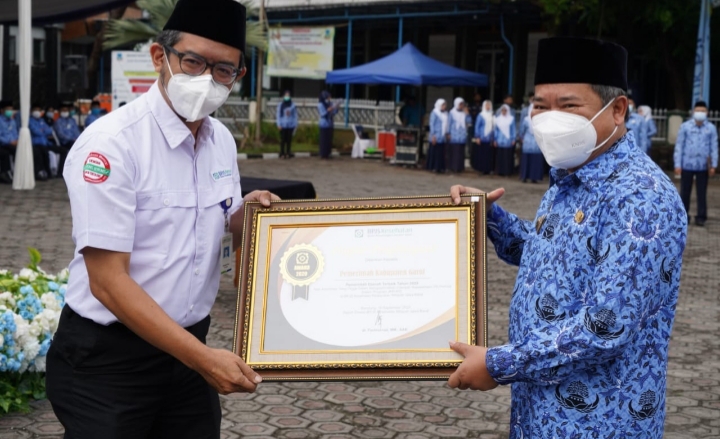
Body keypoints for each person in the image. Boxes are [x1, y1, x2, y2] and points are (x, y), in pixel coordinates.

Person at [46, 1, 279, 438]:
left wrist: (253, 215)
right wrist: (203, 359)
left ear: (238, 75)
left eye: (224, 70)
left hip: (187, 357)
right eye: (193, 62)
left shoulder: (221, 141)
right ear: (160, 57)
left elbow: (221, 223)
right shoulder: (112, 145)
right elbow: (107, 281)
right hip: (109, 363)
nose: (207, 79)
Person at [447, 37, 687, 439]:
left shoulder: (641, 198)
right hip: (539, 410)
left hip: (600, 421)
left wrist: (496, 364)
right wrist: (489, 218)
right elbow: (553, 257)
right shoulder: (570, 176)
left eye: (569, 105)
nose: (549, 119)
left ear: (618, 110)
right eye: (540, 106)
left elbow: (604, 328)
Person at [674, 100, 718, 227]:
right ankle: (684, 216)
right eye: (698, 111)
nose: (700, 113)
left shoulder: (711, 128)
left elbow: (714, 147)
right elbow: (679, 146)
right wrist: (677, 164)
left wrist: (714, 165)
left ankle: (701, 216)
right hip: (687, 164)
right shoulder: (685, 126)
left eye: (703, 111)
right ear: (693, 112)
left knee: (702, 193)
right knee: (685, 192)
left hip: (703, 165)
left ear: (707, 112)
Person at [517, 103, 544, 183]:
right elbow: (521, 130)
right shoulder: (526, 120)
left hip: (536, 143)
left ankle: (534, 177)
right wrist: (521, 138)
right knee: (526, 160)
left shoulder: (540, 120)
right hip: (527, 142)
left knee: (535, 160)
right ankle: (524, 176)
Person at [28, 105, 55, 180]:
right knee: (40, 153)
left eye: (39, 110)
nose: (37, 112)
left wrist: (42, 131)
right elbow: (35, 131)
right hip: (35, 143)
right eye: (35, 110)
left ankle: (47, 172)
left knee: (46, 153)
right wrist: (43, 131)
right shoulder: (30, 121)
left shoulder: (42, 120)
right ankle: (39, 173)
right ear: (31, 111)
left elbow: (49, 130)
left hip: (44, 143)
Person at [447, 97, 470, 173]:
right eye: (460, 104)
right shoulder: (452, 112)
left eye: (462, 104)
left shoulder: (464, 113)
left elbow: (469, 123)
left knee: (460, 152)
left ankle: (460, 167)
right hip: (454, 135)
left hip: (462, 135)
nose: (461, 106)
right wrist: (448, 133)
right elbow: (449, 123)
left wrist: (467, 114)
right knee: (454, 152)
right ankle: (453, 167)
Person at [472, 100, 494, 174]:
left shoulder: (492, 115)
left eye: (489, 105)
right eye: (486, 105)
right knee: (482, 154)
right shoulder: (481, 115)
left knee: (489, 155)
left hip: (490, 138)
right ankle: (482, 169)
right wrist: (477, 137)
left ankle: (488, 169)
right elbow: (477, 126)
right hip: (482, 137)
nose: (488, 107)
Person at [493, 104, 516, 176]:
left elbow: (513, 129)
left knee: (507, 157)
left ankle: (507, 171)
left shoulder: (511, 119)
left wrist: (513, 139)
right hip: (500, 140)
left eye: (505, 110)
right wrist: (495, 139)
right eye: (502, 110)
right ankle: (500, 171)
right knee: (500, 156)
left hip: (508, 141)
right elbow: (496, 130)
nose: (504, 112)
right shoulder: (498, 119)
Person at [427, 98, 449, 173]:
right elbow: (432, 124)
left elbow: (446, 124)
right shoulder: (434, 113)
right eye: (443, 105)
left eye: (445, 105)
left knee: (441, 153)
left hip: (442, 137)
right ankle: (434, 167)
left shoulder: (445, 113)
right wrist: (433, 135)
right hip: (436, 136)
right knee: (435, 153)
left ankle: (440, 167)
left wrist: (447, 133)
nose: (444, 106)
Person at [0, 100, 18, 184]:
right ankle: (5, 173)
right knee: (6, 153)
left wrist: (17, 140)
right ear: (2, 110)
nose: (10, 111)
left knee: (21, 149)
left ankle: (18, 172)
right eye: (8, 109)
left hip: (11, 143)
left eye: (11, 109)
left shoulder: (12, 121)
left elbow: (15, 133)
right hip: (2, 144)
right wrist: (10, 142)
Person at [318, 90, 340, 159]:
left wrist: (337, 107)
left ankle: (328, 153)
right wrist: (329, 109)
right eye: (328, 97)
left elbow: (334, 112)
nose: (329, 99)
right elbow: (323, 113)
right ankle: (323, 153)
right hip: (324, 123)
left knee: (329, 139)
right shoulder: (320, 105)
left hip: (330, 123)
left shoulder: (330, 103)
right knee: (324, 139)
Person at [276, 90, 297, 159]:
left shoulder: (292, 105)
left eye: (288, 95)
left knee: (289, 140)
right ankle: (282, 153)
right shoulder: (280, 105)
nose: (287, 97)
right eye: (286, 95)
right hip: (283, 124)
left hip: (290, 125)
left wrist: (295, 124)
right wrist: (279, 124)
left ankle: (288, 152)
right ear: (284, 96)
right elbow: (278, 115)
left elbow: (295, 116)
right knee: (283, 140)